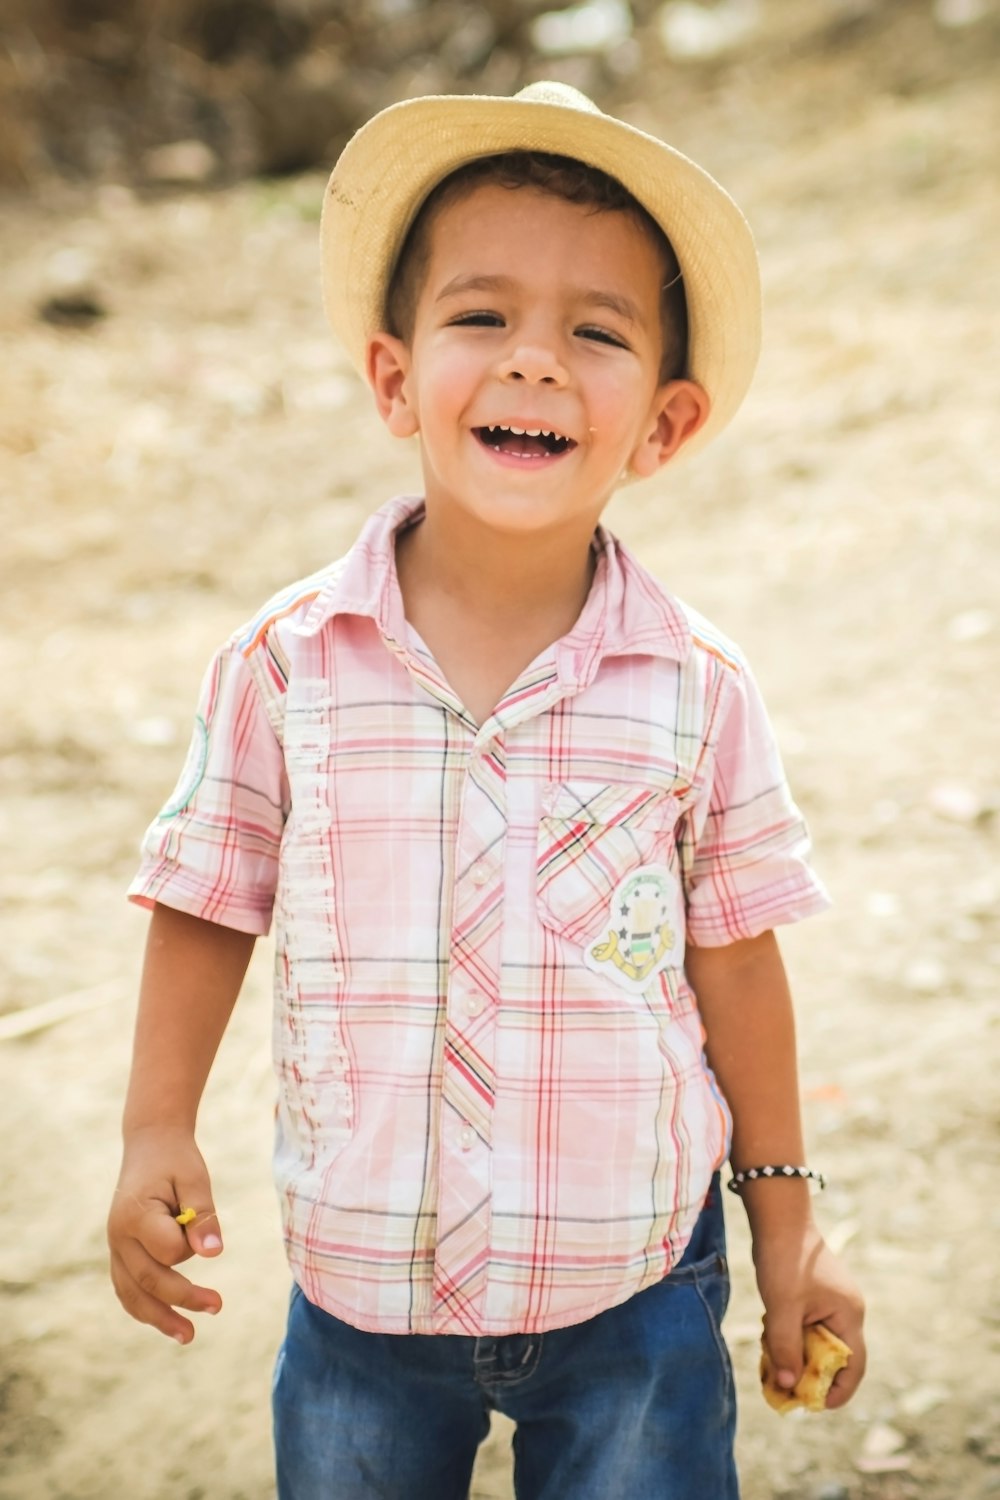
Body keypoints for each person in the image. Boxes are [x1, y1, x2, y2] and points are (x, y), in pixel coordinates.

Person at [108, 81, 866, 1500]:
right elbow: (209, 898)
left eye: (596, 332)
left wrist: (787, 1225)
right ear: (395, 379)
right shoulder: (285, 666)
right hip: (360, 1293)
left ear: (666, 420)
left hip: (634, 1280)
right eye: (482, 317)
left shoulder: (695, 688)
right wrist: (157, 1124)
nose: (533, 363)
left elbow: (736, 958)